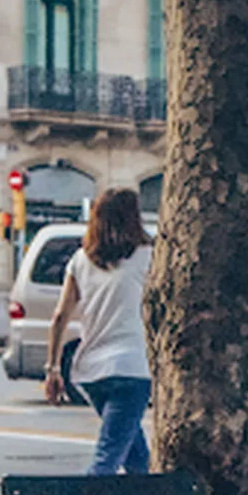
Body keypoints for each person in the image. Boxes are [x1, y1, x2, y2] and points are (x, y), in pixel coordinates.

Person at [45, 188, 154, 475]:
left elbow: (60, 317)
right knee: (107, 458)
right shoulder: (149, 256)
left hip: (91, 370)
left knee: (136, 457)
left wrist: (53, 368)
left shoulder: (81, 260)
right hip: (132, 368)